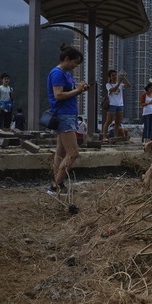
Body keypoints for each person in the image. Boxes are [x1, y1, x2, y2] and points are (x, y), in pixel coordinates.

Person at [47, 45, 90, 195]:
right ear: (67, 59)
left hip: (69, 114)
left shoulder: (66, 74)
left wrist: (79, 90)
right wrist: (78, 90)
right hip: (63, 115)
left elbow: (68, 93)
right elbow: (58, 95)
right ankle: (54, 186)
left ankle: (59, 184)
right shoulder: (57, 73)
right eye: (75, 62)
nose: (76, 66)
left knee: (61, 152)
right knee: (73, 153)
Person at [101, 69, 131, 142]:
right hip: (112, 104)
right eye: (113, 75)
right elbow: (113, 90)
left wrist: (124, 78)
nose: (114, 76)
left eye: (115, 75)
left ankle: (116, 136)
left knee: (118, 122)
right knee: (108, 121)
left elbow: (129, 86)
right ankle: (104, 136)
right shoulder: (108, 85)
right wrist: (119, 82)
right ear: (110, 77)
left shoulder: (120, 84)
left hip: (120, 104)